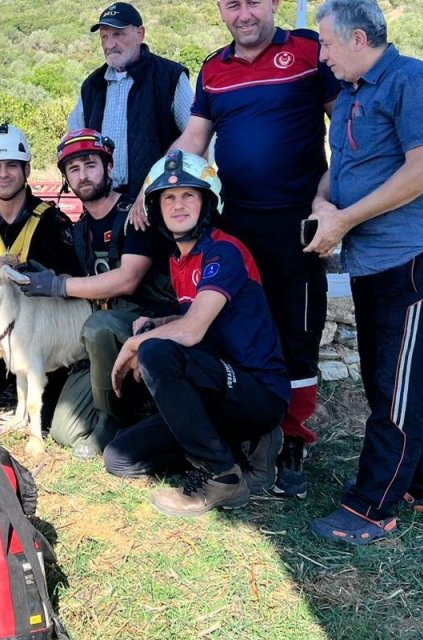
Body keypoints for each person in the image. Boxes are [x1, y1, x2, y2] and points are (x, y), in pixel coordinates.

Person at [136, 0, 341, 500]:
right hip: (237, 222)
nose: (243, 13)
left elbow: (349, 134)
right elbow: (194, 137)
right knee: (233, 329)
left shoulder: (310, 50)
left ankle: (292, 440)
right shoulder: (213, 67)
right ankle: (242, 430)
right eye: (232, 4)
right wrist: (150, 183)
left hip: (298, 223)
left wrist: (328, 198)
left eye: (253, 1)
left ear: (273, 3)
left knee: (298, 334)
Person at [305, 0, 423, 545]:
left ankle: (373, 505)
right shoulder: (350, 96)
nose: (321, 55)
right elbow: (341, 170)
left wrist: (343, 217)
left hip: (414, 253)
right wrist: (326, 205)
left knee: (393, 383)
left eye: (325, 43)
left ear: (359, 40)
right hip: (373, 259)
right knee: (391, 378)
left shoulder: (414, 81)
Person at [103, 150, 290, 516]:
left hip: (255, 389)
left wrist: (135, 343)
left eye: (189, 194)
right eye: (168, 198)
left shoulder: (224, 252)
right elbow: (192, 315)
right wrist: (156, 325)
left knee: (156, 352)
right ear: (156, 208)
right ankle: (237, 449)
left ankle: (222, 477)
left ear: (207, 201)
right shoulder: (178, 260)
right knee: (119, 458)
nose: (178, 205)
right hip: (213, 388)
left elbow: (191, 330)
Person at [18, 128, 178, 459]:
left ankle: (112, 420)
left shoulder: (135, 213)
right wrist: (48, 278)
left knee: (99, 326)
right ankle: (135, 406)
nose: (82, 175)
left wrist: (59, 286)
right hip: (108, 331)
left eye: (90, 164)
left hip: (150, 321)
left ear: (108, 166)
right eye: (73, 169)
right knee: (65, 429)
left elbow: (128, 280)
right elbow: (86, 282)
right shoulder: (79, 230)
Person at [0, 124, 83, 423]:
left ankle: (49, 378)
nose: (3, 174)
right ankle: (2, 376)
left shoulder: (51, 220)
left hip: (42, 336)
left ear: (27, 169)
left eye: (11, 166)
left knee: (47, 419)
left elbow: (70, 281)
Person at [67, 2, 194, 192]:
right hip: (106, 202)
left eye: (118, 34)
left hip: (159, 198)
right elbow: (75, 142)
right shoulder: (92, 85)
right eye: (104, 37)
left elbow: (196, 137)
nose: (109, 44)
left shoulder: (169, 76)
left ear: (140, 34)